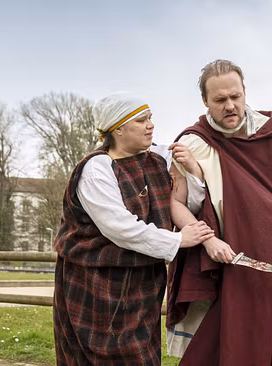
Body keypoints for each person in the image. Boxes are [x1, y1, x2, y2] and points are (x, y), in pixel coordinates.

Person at [52, 93, 215, 365]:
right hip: (95, 282)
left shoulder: (158, 159)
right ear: (117, 128)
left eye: (150, 118)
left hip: (143, 284)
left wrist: (193, 171)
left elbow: (187, 203)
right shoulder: (96, 169)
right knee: (93, 358)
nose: (150, 125)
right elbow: (119, 227)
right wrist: (177, 240)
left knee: (143, 357)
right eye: (141, 120)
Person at [165, 59, 272, 365]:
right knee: (211, 350)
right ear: (204, 101)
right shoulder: (192, 143)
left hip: (264, 261)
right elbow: (174, 203)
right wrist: (207, 239)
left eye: (235, 97)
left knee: (266, 345)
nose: (230, 106)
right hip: (214, 259)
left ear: (244, 92)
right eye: (219, 100)